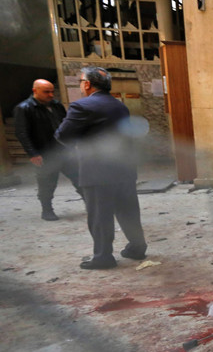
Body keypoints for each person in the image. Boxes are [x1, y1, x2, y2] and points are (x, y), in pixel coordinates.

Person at [55, 67, 147, 270]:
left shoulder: (81, 106)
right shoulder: (120, 106)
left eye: (81, 81)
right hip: (124, 169)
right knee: (128, 211)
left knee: (99, 216)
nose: (81, 84)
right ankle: (137, 247)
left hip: (98, 172)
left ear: (87, 84)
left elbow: (63, 136)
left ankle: (103, 257)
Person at [14, 79, 81, 220]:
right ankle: (47, 209)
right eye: (46, 92)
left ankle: (92, 204)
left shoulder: (56, 105)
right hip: (45, 152)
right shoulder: (25, 108)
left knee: (79, 178)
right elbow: (22, 133)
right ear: (35, 91)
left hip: (64, 150)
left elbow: (66, 123)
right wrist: (33, 153)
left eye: (52, 91)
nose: (50, 95)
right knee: (47, 183)